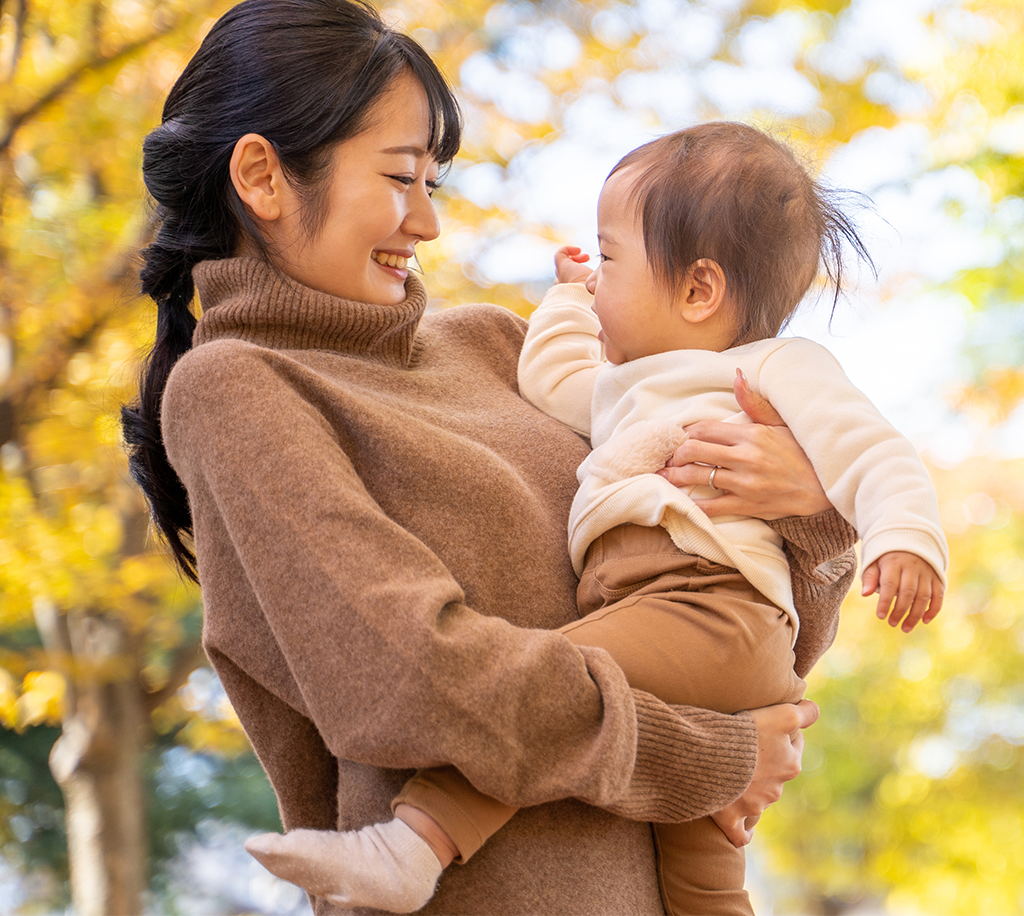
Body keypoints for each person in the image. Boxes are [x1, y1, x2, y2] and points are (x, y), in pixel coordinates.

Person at [123, 0, 859, 916]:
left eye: (435, 184)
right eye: (399, 179)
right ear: (263, 177)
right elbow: (417, 681)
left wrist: (808, 511)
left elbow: (743, 632)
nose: (426, 224)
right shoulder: (237, 390)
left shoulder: (503, 350)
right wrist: (710, 759)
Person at [243, 123, 947, 915]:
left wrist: (897, 536)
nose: (595, 273)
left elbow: (873, 454)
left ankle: (415, 843)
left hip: (705, 612)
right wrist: (569, 300)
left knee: (538, 685)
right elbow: (554, 382)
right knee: (706, 886)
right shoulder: (629, 386)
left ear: (698, 290)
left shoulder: (774, 369)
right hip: (686, 638)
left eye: (609, 259)